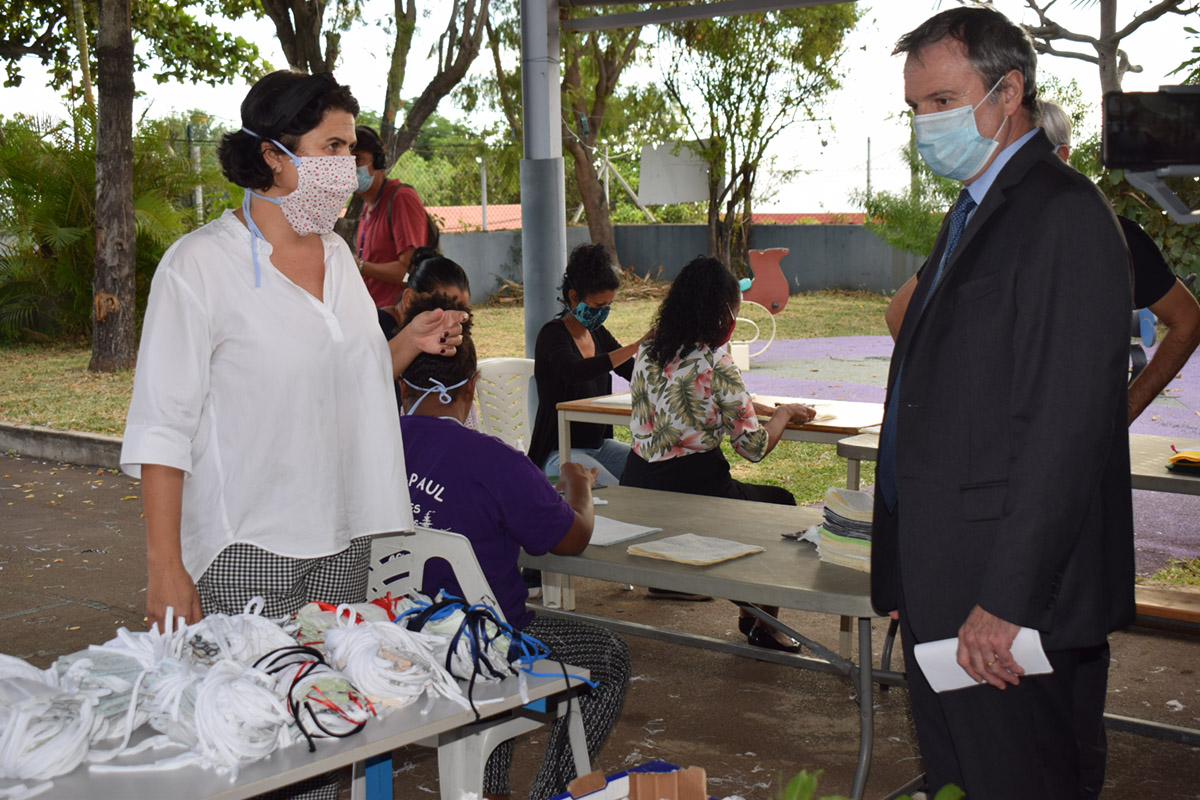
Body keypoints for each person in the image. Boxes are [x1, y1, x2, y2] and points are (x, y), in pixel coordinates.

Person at [871, 9, 1134, 799]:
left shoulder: (1063, 214)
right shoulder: (974, 210)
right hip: (949, 584)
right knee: (962, 782)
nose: (927, 125)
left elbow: (1064, 429)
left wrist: (1007, 600)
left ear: (1008, 91)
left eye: (943, 102)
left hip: (1009, 603)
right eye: (915, 109)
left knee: (1021, 782)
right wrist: (910, 577)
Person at [397, 294, 631, 800]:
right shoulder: (493, 459)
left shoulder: (375, 443)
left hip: (397, 633)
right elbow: (571, 538)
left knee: (490, 618)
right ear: (472, 385)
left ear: (400, 380)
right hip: (482, 645)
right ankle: (551, 793)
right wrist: (577, 483)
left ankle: (492, 787)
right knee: (607, 658)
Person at [620, 255, 816, 649]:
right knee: (780, 505)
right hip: (693, 492)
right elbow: (753, 447)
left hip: (637, 484)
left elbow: (680, 400)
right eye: (736, 311)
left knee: (749, 509)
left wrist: (747, 403)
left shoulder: (649, 349)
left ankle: (752, 614)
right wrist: (783, 414)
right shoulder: (717, 361)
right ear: (721, 311)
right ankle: (761, 622)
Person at [1039, 100, 1200, 423]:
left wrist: (1125, 409)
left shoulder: (1117, 237)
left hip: (1080, 447)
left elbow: (1188, 321)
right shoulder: (987, 235)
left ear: (1062, 156)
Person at [528, 243, 646, 485]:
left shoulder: (598, 334)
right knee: (619, 493)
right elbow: (573, 372)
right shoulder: (553, 335)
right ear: (573, 297)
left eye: (608, 306)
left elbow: (631, 370)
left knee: (651, 471)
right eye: (598, 306)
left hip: (600, 447)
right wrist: (633, 347)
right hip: (559, 451)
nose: (603, 313)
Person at [351, 123, 433, 308]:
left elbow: (411, 272)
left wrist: (360, 266)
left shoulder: (401, 199)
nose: (350, 167)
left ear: (379, 162)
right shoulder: (368, 208)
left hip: (400, 321)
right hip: (377, 317)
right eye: (346, 161)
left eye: (357, 159)